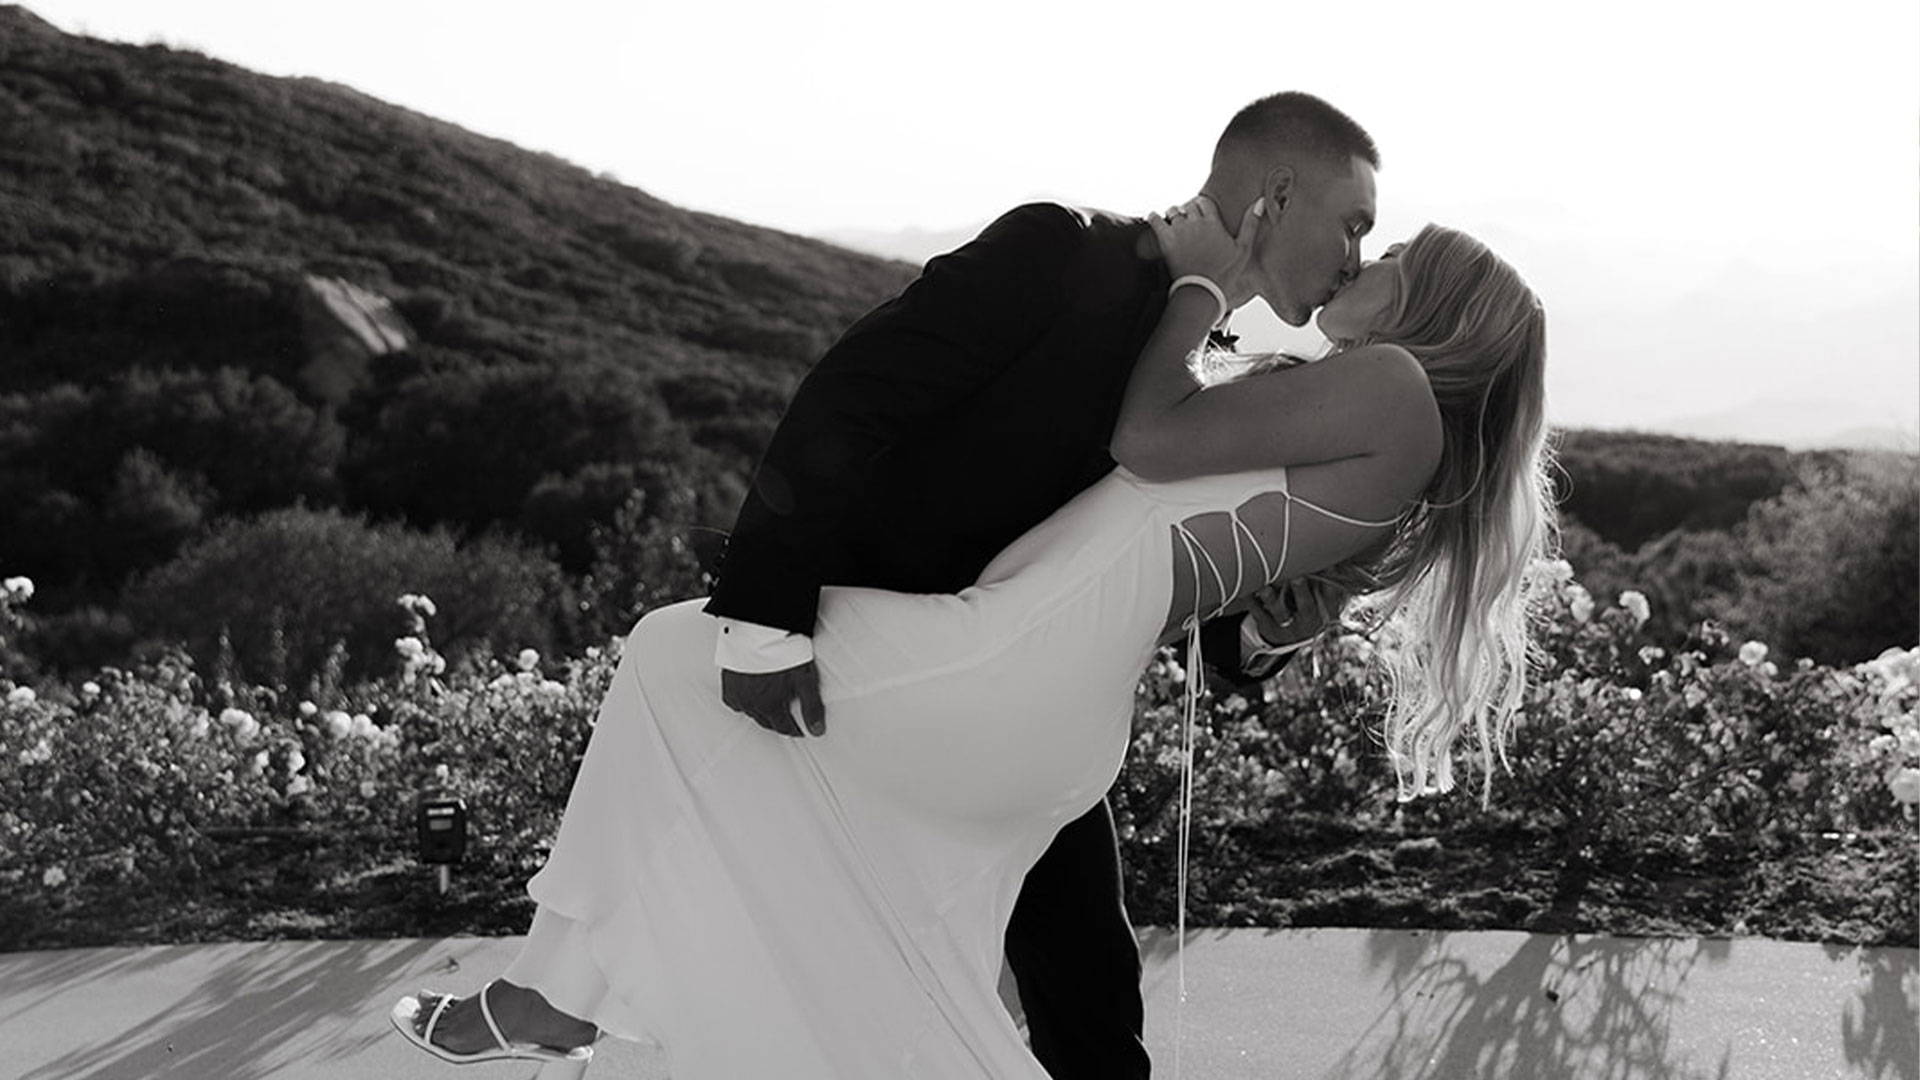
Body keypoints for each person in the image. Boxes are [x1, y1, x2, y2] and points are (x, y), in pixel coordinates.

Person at [388, 99, 1557, 1079]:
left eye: (1389, 247)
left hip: (1013, 656)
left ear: (1432, 302)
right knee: (906, 934)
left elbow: (1151, 448)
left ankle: (550, 998)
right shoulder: (1086, 266)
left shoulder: (1386, 389)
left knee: (664, 661)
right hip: (1027, 672)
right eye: (1360, 226)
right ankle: (550, 997)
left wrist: (1209, 283)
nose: (1367, 254)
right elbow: (864, 401)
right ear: (1277, 192)